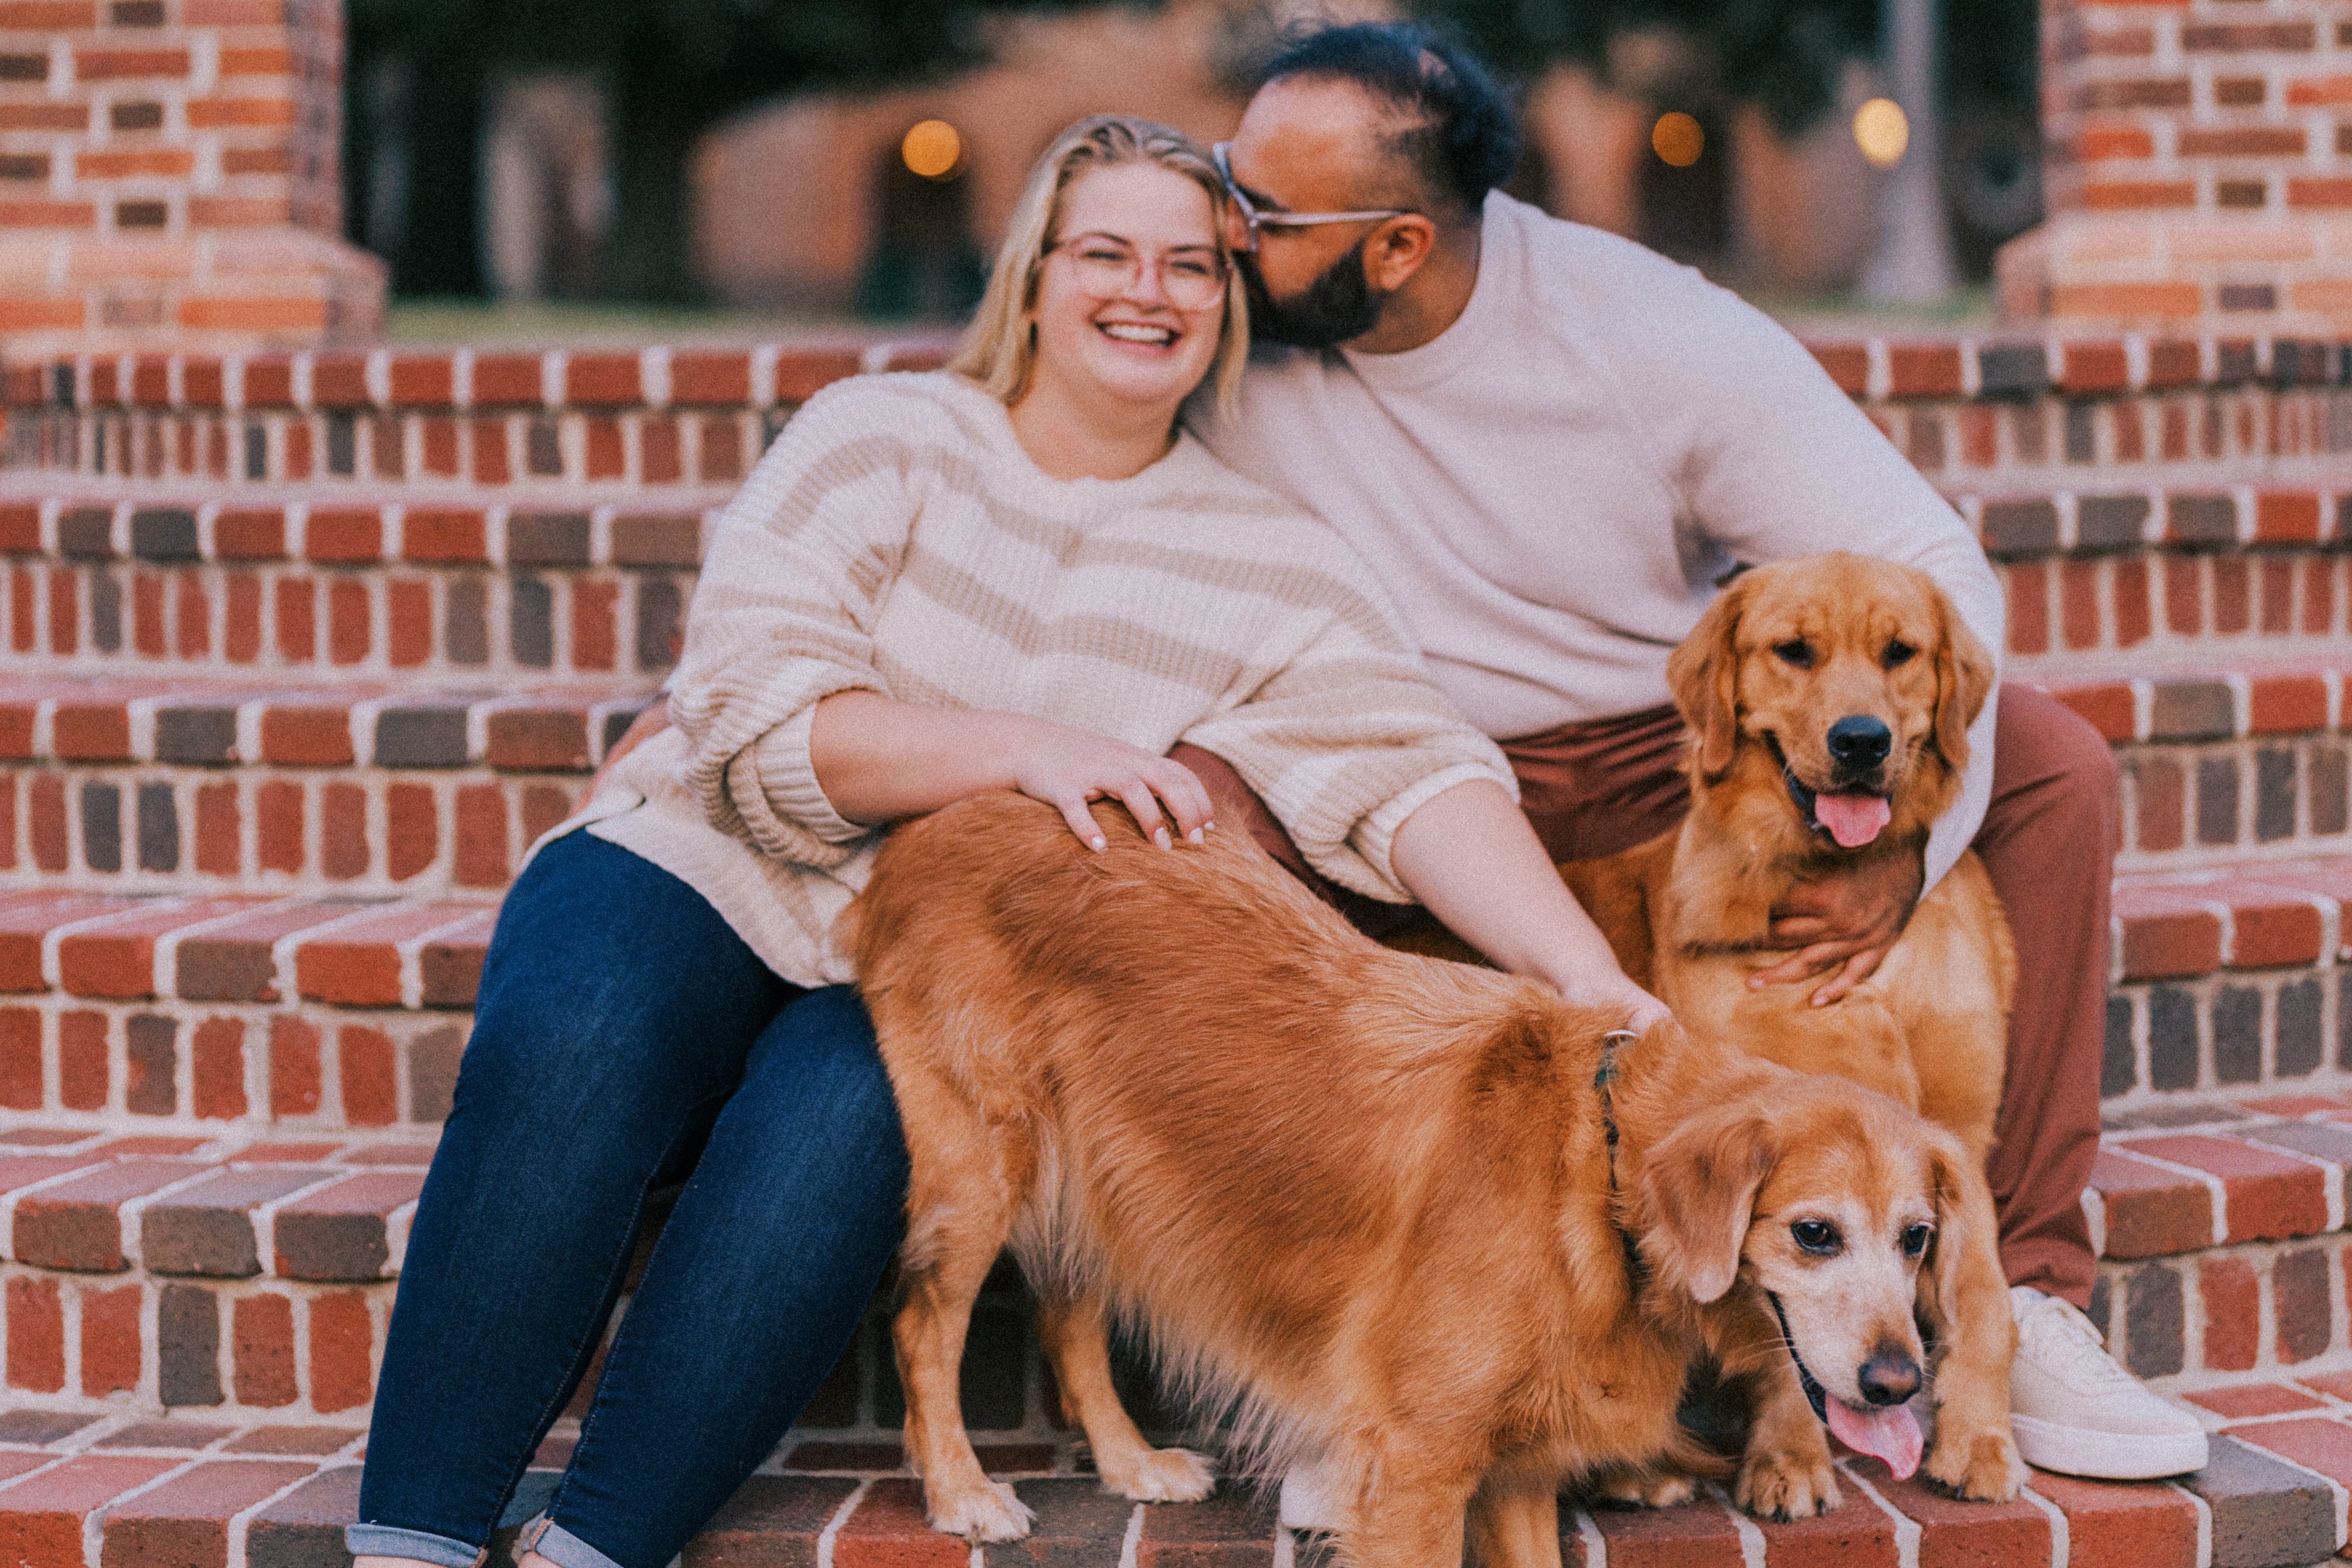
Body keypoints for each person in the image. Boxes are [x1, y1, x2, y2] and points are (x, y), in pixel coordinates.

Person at [345, 114, 1665, 1568]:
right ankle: (408, 1538)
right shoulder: (882, 433)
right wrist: (1027, 749)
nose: (1147, 291)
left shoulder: (1270, 555)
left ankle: (596, 1545)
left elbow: (1410, 773)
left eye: (1189, 265)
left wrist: (1589, 978)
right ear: (1034, 275)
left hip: (938, 973)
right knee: (577, 1035)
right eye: (1104, 251)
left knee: (839, 1144)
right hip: (703, 863)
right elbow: (741, 694)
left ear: (1227, 302)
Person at [1186, 22, 2206, 1489]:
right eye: (1229, 182)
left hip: (1662, 750)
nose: (1226, 228)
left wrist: (1908, 850)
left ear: (1399, 245)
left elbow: (1925, 555)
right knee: (1215, 817)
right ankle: (1348, 1349)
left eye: (1263, 213)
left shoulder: (1641, 325)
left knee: (2050, 764)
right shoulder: (1211, 316)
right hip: (1401, 762)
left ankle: (2022, 1286)